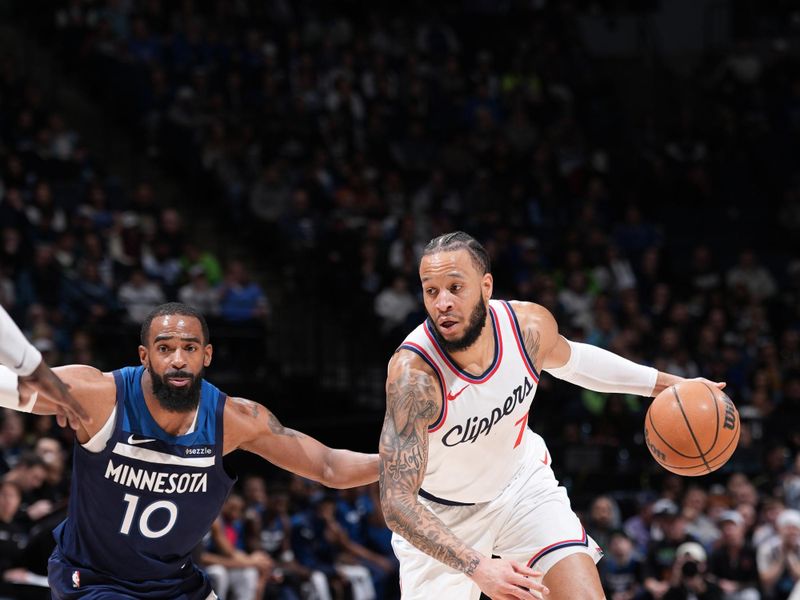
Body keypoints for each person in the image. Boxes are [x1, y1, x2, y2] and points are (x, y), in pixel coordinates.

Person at [378, 231, 726, 600]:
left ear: (486, 286)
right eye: (431, 291)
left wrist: (672, 385)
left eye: (455, 287)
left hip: (521, 486)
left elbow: (577, 362)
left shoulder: (526, 327)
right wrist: (478, 566)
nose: (442, 302)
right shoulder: (413, 377)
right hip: (444, 516)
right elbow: (397, 502)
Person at [0, 302, 379, 599]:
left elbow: (329, 467)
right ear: (144, 356)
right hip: (95, 579)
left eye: (189, 348)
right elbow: (15, 388)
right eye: (165, 348)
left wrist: (403, 462)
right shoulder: (98, 396)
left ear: (207, 355)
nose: (178, 360)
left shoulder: (235, 419)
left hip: (175, 584)